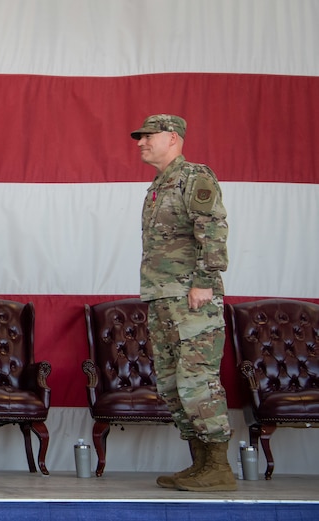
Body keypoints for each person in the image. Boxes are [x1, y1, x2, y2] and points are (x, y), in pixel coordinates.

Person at [131, 114, 236, 492]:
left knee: (197, 381)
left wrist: (205, 283)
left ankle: (220, 467)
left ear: (172, 137)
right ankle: (200, 464)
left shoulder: (194, 177)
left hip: (192, 297)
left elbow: (212, 230)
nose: (140, 142)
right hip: (163, 296)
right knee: (172, 384)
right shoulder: (159, 184)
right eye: (138, 137)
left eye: (147, 136)